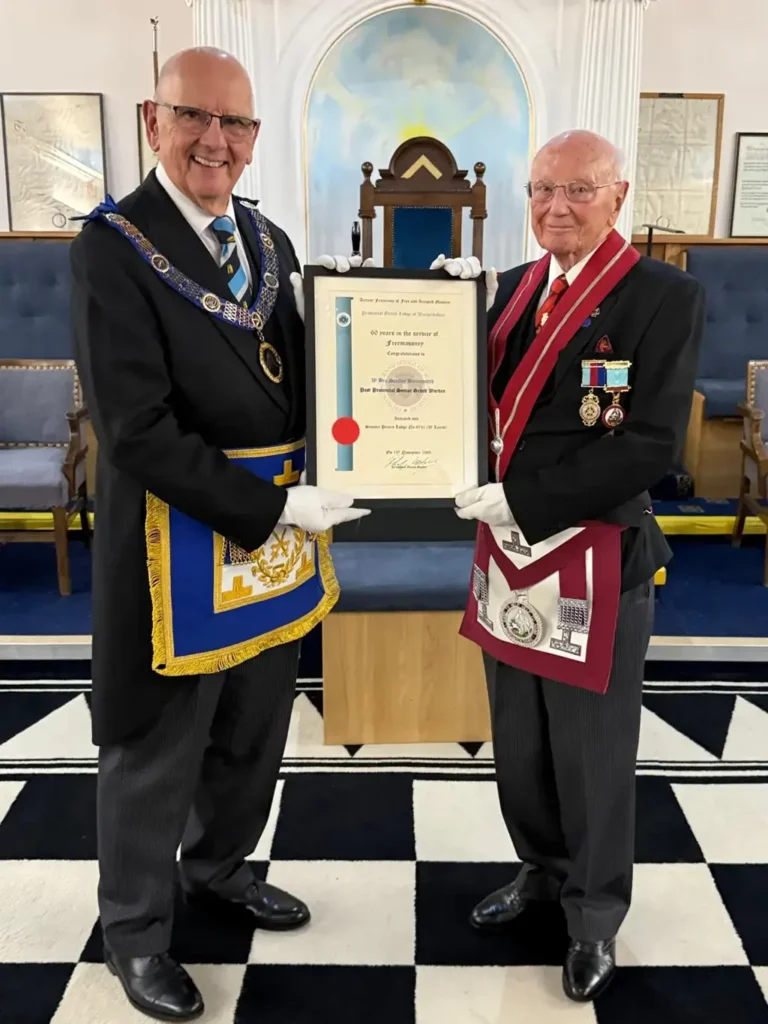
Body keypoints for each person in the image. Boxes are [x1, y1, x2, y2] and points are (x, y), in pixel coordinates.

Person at [70, 47, 368, 1022]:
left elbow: (309, 374)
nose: (216, 140)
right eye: (196, 117)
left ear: (253, 139)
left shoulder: (269, 238)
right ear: (155, 120)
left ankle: (220, 868)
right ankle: (135, 933)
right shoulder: (113, 245)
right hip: (171, 543)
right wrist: (274, 506)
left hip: (272, 544)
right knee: (157, 747)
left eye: (236, 124)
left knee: (253, 727)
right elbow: (137, 428)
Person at [438, 130, 704, 1002]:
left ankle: (594, 919)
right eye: (543, 190)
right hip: (508, 559)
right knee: (519, 744)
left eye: (578, 190)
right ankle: (542, 874)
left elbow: (650, 445)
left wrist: (527, 500)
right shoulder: (508, 292)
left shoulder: (661, 297)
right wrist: (436, 313)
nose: (557, 206)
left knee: (591, 756)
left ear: (616, 195)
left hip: (595, 557)